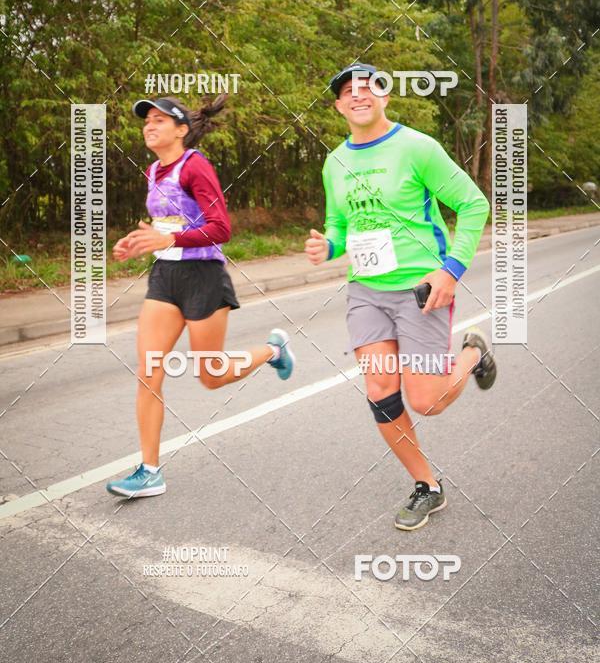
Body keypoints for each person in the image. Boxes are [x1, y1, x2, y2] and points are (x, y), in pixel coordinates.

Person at [305, 63, 496, 530]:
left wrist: (451, 270)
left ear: (385, 97)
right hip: (366, 291)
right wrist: (328, 246)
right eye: (347, 91)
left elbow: (473, 204)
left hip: (421, 288)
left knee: (427, 400)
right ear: (338, 106)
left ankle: (473, 353)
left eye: (368, 87)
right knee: (380, 390)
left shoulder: (416, 147)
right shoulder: (335, 162)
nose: (358, 95)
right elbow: (340, 225)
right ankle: (427, 485)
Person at [106, 95, 294, 498]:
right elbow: (166, 224)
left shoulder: (195, 166)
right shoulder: (153, 170)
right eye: (147, 120)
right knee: (148, 371)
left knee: (211, 376)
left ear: (181, 130)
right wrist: (138, 242)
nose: (149, 125)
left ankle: (273, 351)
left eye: (159, 120)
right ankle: (150, 471)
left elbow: (220, 228)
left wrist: (170, 238)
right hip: (165, 277)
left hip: (203, 276)